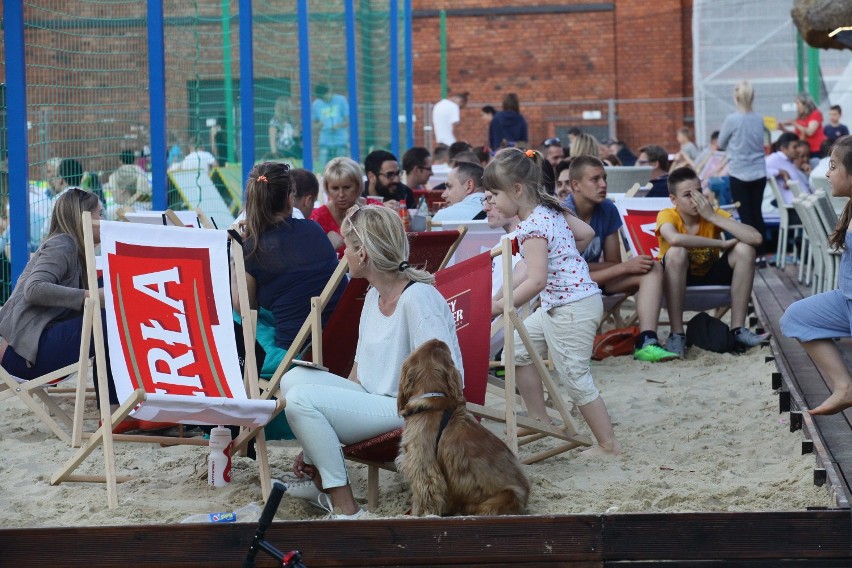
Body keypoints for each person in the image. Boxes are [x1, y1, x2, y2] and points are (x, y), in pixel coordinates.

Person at [282, 205, 463, 518]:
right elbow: (358, 373)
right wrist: (314, 439)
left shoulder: (418, 299)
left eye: (349, 249)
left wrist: (314, 413)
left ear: (363, 253)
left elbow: (447, 378)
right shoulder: (371, 296)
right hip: (376, 401)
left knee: (300, 398)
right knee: (292, 381)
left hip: (411, 411)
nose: (344, 256)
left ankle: (346, 507)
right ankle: (320, 479)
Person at [484, 148, 620, 456]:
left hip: (571, 308)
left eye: (495, 194)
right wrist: (566, 250)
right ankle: (538, 417)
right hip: (563, 304)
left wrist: (497, 307)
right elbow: (585, 233)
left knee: (574, 375)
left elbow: (536, 280)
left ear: (517, 190)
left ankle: (608, 446)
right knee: (515, 349)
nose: (492, 201)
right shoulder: (550, 211)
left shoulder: (532, 225)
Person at [0, 188, 136, 430]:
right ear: (82, 218)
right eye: (99, 215)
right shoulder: (63, 244)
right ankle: (115, 411)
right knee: (107, 318)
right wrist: (89, 295)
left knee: (108, 299)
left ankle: (118, 407)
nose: (103, 222)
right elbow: (35, 288)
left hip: (29, 348)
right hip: (23, 357)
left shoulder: (74, 249)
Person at [235, 162, 344, 382]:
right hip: (337, 340)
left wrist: (234, 256)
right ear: (288, 199)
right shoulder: (313, 229)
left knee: (232, 316)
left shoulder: (253, 249)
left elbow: (246, 308)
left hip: (292, 355)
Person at [565, 156, 678, 362]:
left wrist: (589, 268)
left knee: (651, 268)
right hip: (566, 289)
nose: (603, 184)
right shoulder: (563, 215)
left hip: (596, 281)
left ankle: (647, 342)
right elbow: (567, 275)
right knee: (634, 267)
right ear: (576, 185)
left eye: (604, 178)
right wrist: (623, 267)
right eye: (595, 179)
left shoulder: (607, 208)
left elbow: (612, 262)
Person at [656, 167, 768, 358]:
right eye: (688, 195)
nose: (696, 199)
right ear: (674, 200)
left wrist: (713, 216)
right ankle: (677, 334)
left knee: (745, 249)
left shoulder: (711, 213)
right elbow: (674, 239)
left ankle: (738, 330)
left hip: (710, 275)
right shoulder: (668, 214)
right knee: (676, 253)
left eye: (699, 192)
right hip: (677, 279)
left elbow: (756, 238)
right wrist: (721, 243)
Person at [781, 135, 852, 415]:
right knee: (797, 316)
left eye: (833, 166)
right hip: (843, 299)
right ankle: (844, 387)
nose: (827, 173)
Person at [717, 80, 767, 257]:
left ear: (736, 97)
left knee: (745, 215)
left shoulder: (732, 119)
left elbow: (721, 144)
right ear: (752, 96)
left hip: (739, 171)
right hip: (759, 171)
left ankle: (750, 254)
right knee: (757, 213)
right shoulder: (759, 118)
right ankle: (762, 253)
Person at [310, 157, 364, 258]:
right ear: (327, 188)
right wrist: (327, 247)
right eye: (335, 188)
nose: (341, 194)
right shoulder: (318, 218)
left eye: (347, 187)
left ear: (358, 186)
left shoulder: (373, 209)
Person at [312, 85, 349, 167]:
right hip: (325, 142)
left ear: (330, 92)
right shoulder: (316, 104)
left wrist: (338, 126)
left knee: (342, 168)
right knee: (325, 168)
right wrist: (318, 125)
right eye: (322, 99)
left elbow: (349, 120)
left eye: (325, 97)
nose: (325, 100)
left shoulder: (341, 100)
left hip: (340, 141)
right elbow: (313, 125)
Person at [106, 149, 151, 217]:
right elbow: (144, 192)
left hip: (121, 209)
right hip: (143, 207)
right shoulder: (140, 171)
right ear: (134, 160)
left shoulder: (113, 176)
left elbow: (116, 198)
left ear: (120, 161)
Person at [782, 93, 826, 161]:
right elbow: (797, 135)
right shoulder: (800, 117)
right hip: (804, 151)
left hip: (816, 150)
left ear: (805, 103)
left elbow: (810, 131)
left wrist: (793, 123)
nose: (796, 106)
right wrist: (783, 129)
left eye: (798, 103)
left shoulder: (815, 113)